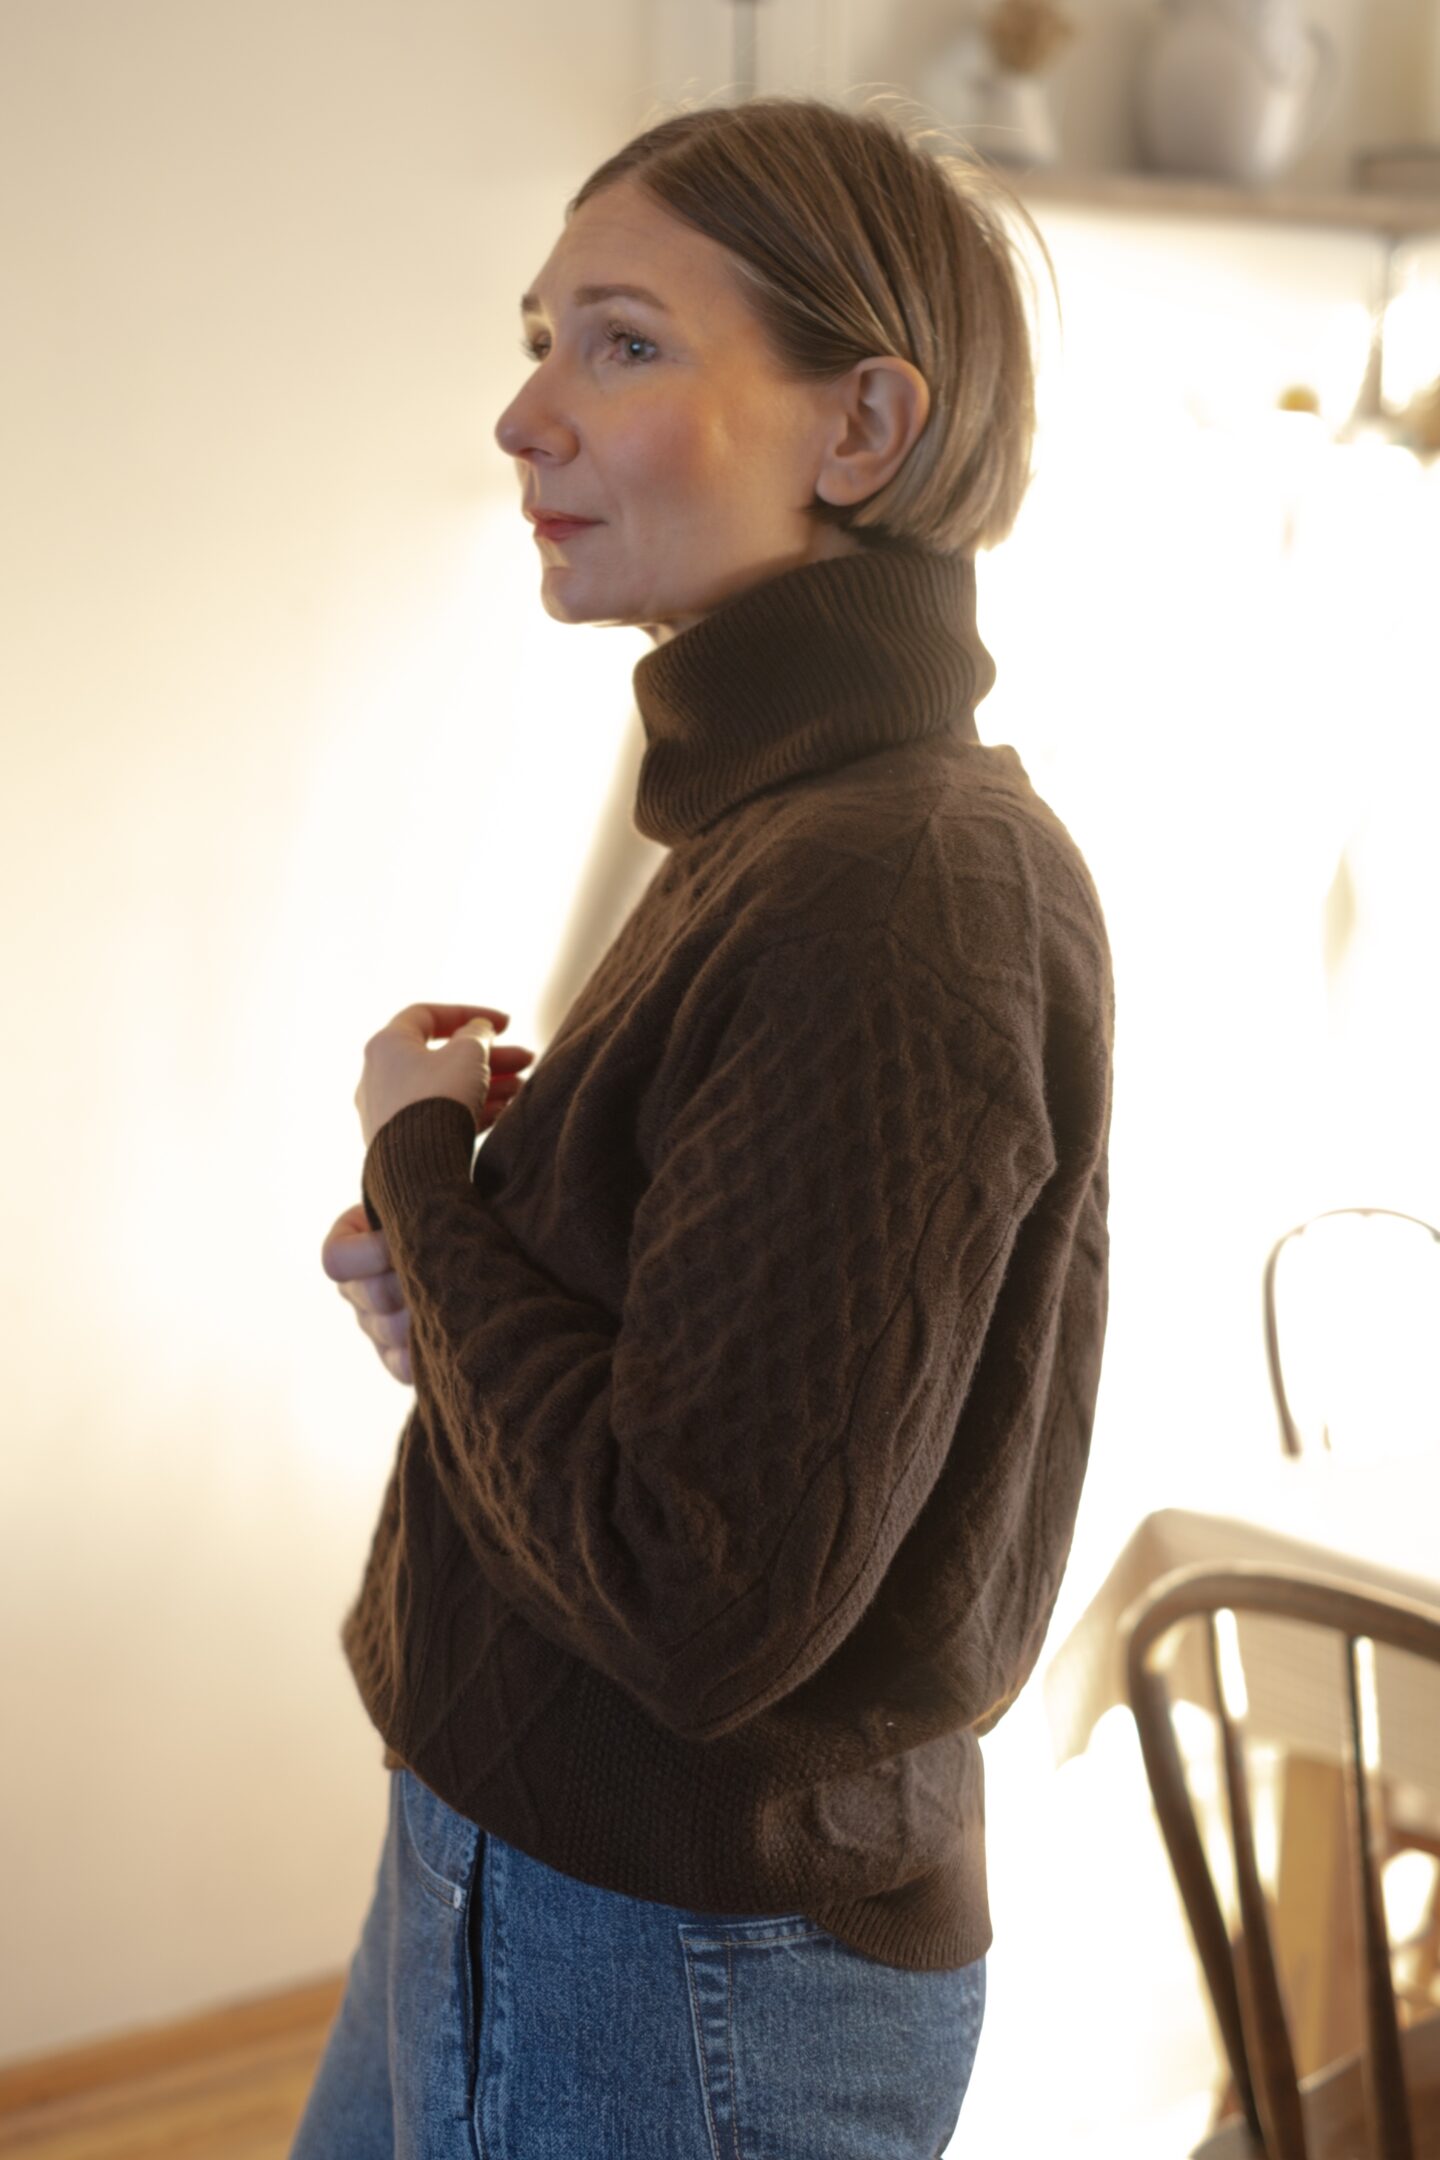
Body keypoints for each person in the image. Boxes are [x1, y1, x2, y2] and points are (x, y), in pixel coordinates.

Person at [296, 92, 1113, 2160]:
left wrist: (421, 1169)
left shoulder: (896, 890)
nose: (525, 414)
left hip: (664, 1970)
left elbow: (698, 1594)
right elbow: (701, 1424)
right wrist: (479, 1283)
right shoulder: (789, 832)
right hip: (526, 1878)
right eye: (540, 331)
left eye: (624, 342)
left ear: (861, 429)